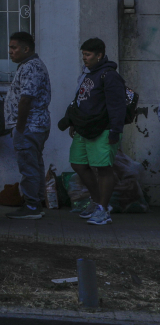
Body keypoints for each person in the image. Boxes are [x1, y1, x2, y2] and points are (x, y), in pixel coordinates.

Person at [58, 38, 126, 226]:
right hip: (84, 129)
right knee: (78, 164)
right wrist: (74, 122)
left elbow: (117, 106)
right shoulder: (87, 74)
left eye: (87, 55)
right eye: (83, 55)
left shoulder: (109, 75)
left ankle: (103, 211)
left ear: (99, 55)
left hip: (103, 130)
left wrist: (115, 131)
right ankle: (98, 203)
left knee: (104, 169)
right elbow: (81, 101)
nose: (84, 58)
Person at [5, 31, 52, 219]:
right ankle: (37, 203)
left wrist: (19, 127)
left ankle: (32, 206)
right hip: (34, 125)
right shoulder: (27, 66)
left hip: (30, 126)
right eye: (10, 48)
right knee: (35, 164)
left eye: (14, 48)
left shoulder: (31, 67)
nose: (10, 52)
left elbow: (25, 99)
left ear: (26, 49)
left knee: (28, 166)